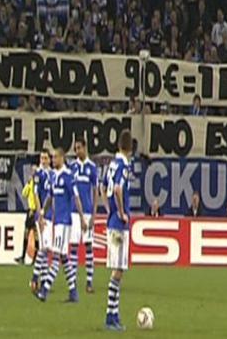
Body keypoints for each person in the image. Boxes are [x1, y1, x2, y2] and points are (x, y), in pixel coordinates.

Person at [36, 148, 87, 303]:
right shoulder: (54, 177)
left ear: (62, 158)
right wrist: (43, 212)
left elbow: (76, 197)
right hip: (56, 221)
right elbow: (50, 197)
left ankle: (44, 289)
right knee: (64, 257)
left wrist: (82, 218)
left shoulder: (68, 177)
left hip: (64, 223)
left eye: (55, 157)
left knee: (56, 256)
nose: (53, 160)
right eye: (52, 157)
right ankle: (73, 292)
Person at [104, 130, 133, 331]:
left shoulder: (111, 165)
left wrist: (110, 210)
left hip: (111, 221)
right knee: (118, 270)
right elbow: (117, 189)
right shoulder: (123, 166)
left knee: (118, 269)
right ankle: (110, 315)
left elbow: (104, 188)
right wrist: (121, 212)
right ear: (130, 148)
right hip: (118, 224)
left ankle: (113, 314)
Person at [68, 138, 98, 293]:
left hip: (87, 212)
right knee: (73, 246)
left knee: (88, 246)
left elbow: (95, 192)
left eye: (79, 148)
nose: (77, 151)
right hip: (74, 213)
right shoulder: (72, 167)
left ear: (85, 147)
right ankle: (72, 282)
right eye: (75, 148)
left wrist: (94, 214)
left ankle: (89, 281)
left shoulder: (92, 168)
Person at [29, 150, 53, 293]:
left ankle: (42, 280)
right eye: (41, 158)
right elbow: (37, 194)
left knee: (46, 247)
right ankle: (36, 278)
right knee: (45, 247)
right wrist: (40, 213)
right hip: (43, 216)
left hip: (51, 215)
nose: (43, 160)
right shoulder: (38, 174)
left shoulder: (52, 174)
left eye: (45, 158)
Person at [16, 174, 39, 265]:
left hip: (34, 211)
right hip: (30, 211)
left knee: (36, 235)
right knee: (26, 233)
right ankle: (23, 256)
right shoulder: (30, 184)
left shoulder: (37, 184)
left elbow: (36, 198)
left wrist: (35, 210)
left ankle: (36, 258)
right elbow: (24, 194)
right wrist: (28, 184)